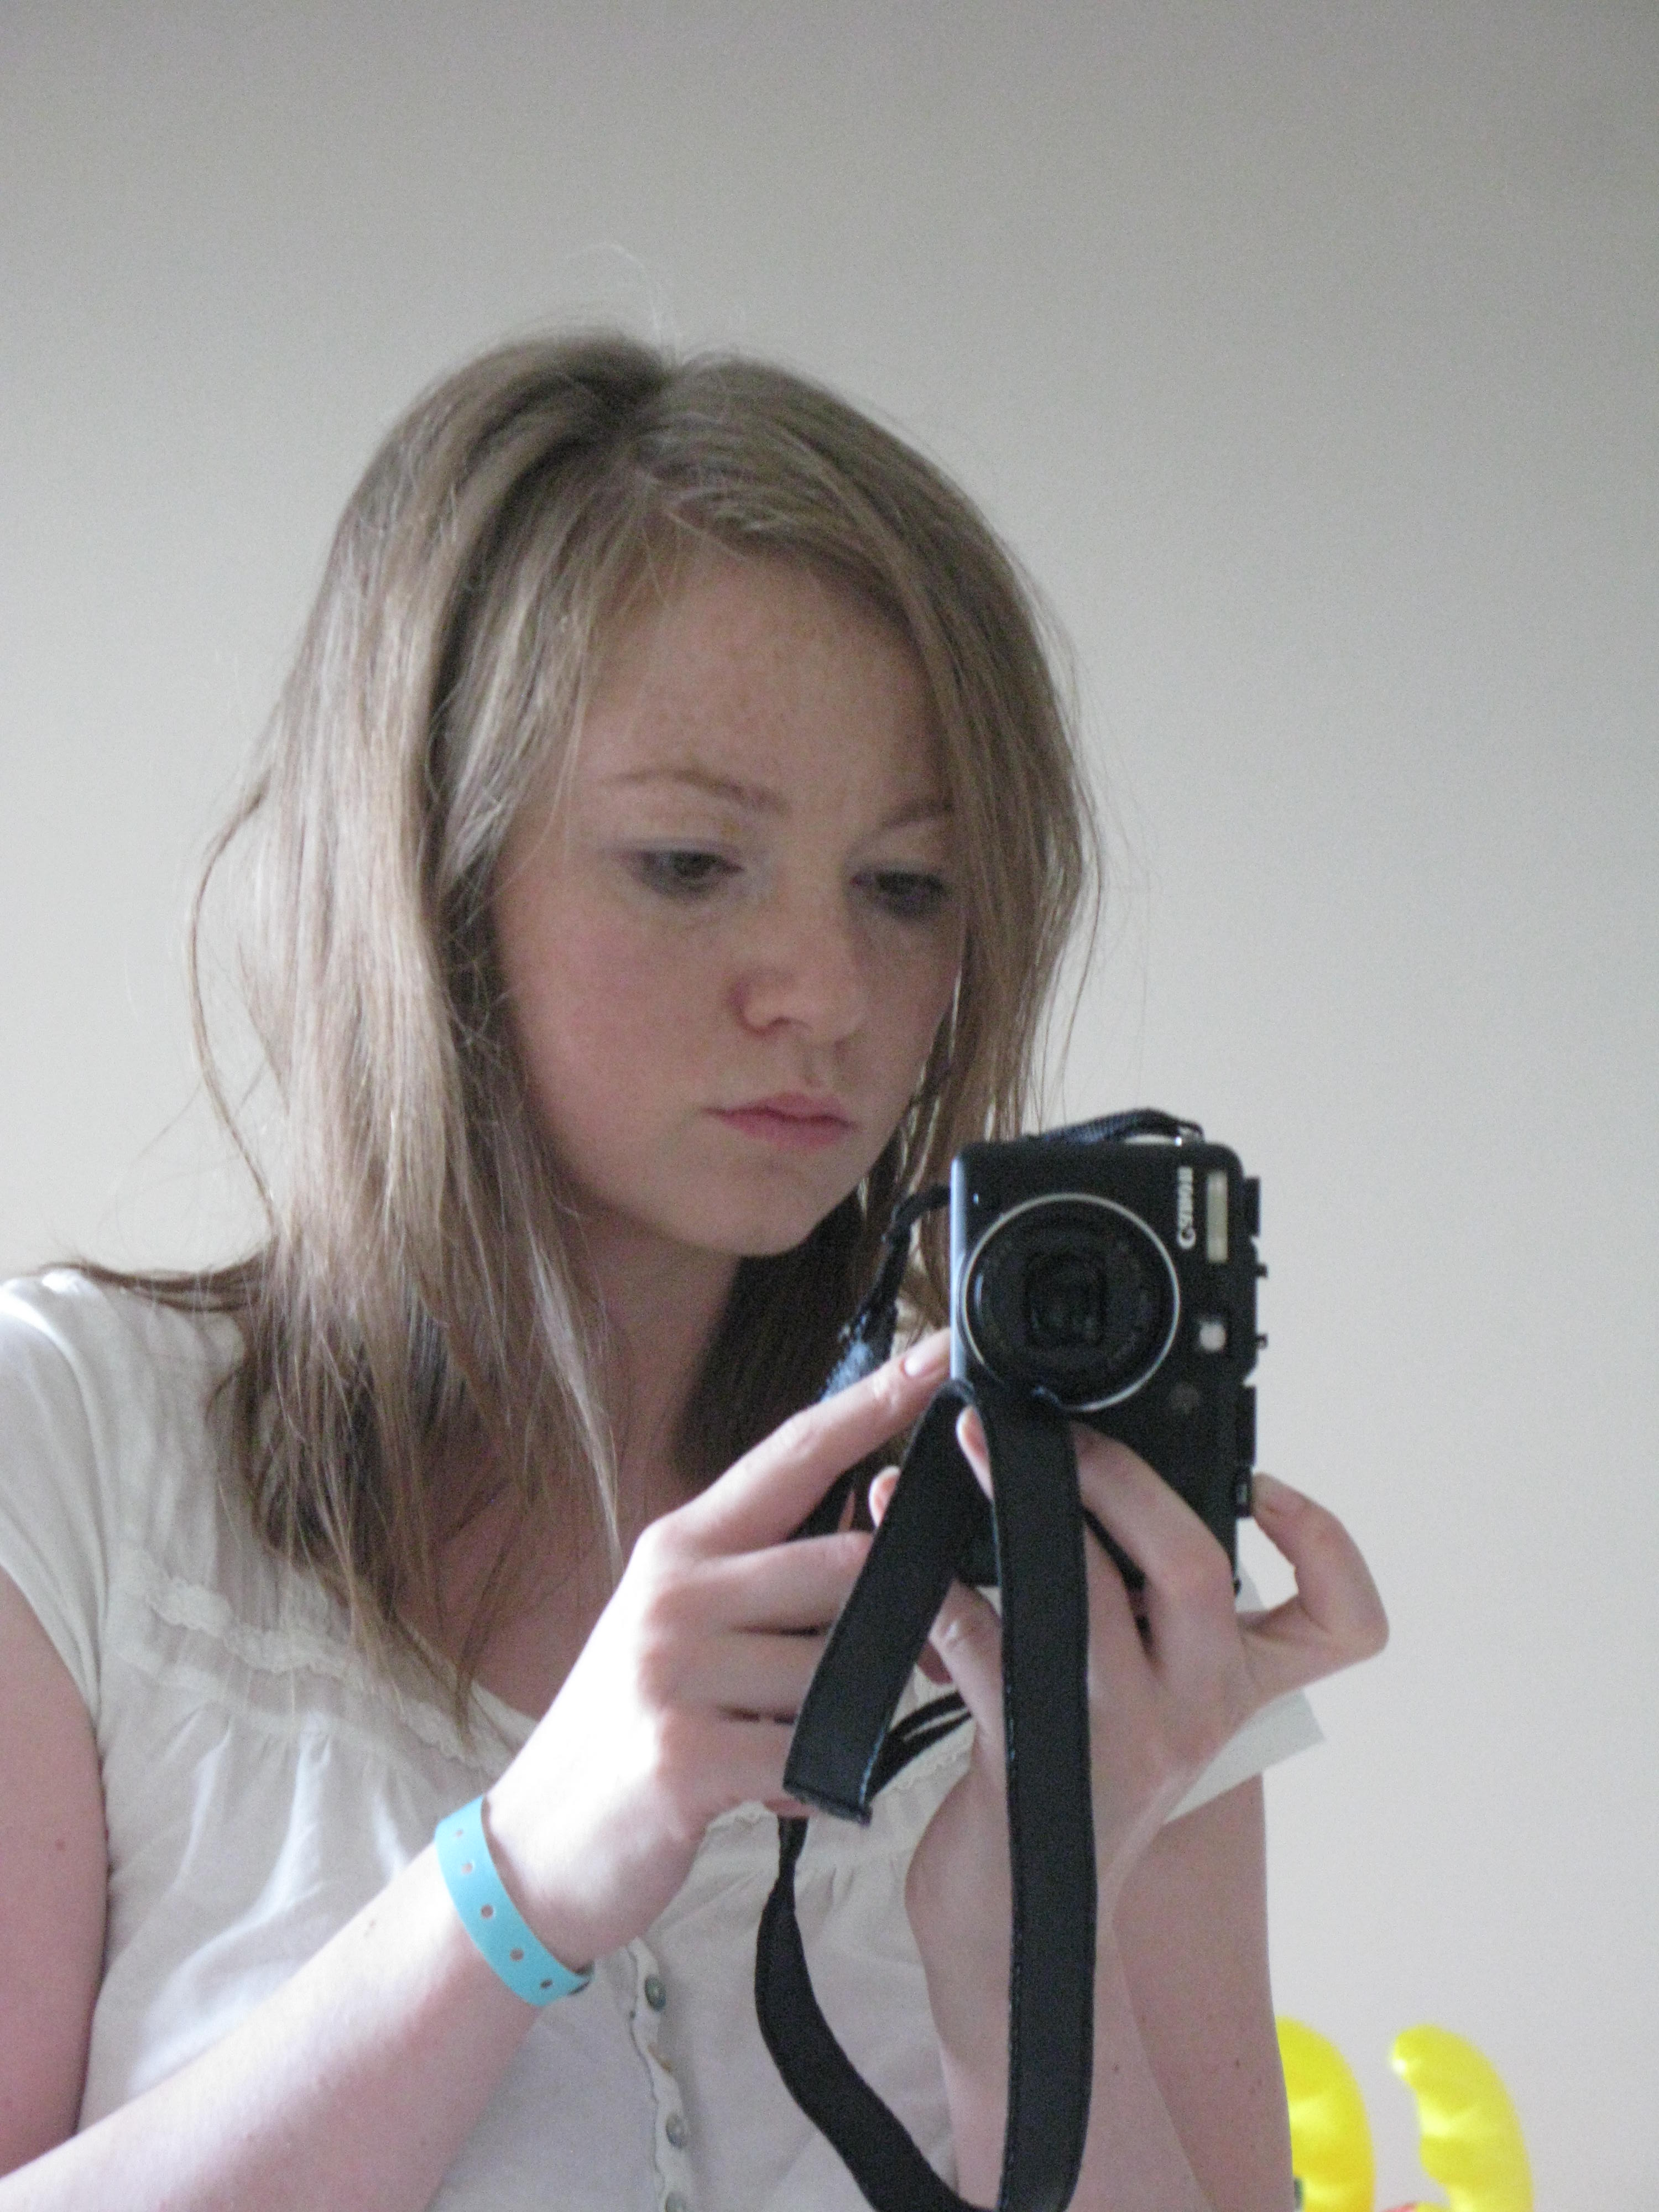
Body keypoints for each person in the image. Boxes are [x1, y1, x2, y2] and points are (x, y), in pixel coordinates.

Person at [0, 334, 1386, 2212]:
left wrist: (1023, 1956)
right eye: (686, 863)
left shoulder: (1070, 1560)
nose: (825, 991)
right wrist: (516, 1884)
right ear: (429, 872)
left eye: (908, 888)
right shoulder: (69, 1465)